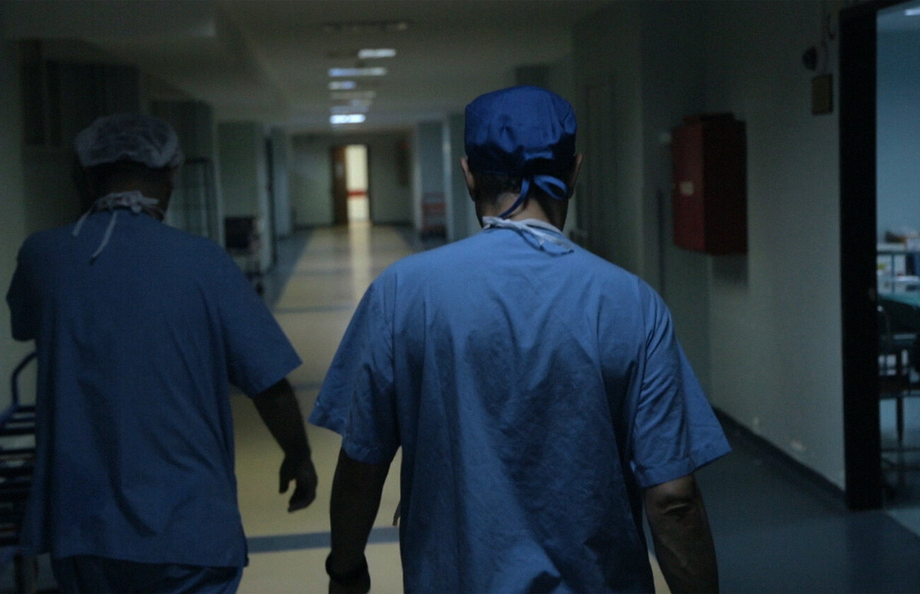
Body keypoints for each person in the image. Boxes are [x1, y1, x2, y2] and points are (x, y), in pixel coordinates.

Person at [309, 86, 730, 593]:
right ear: (574, 172)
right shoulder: (633, 304)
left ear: (469, 175)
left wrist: (346, 570)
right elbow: (673, 499)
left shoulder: (403, 293)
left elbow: (362, 462)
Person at [7, 113, 317, 593]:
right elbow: (268, 384)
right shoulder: (203, 261)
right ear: (171, 176)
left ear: (84, 176)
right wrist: (298, 455)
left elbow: (24, 323)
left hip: (84, 527)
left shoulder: (42, 256)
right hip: (189, 526)